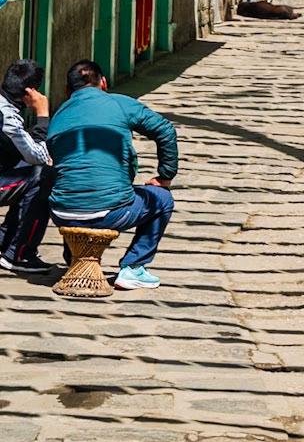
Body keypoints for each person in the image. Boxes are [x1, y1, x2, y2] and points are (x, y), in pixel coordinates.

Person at [46, 60, 178, 292]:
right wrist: (165, 177)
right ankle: (134, 267)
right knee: (162, 199)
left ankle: (75, 258)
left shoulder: (58, 115)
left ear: (67, 90)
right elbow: (165, 130)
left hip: (62, 214)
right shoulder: (118, 103)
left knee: (72, 185)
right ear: (104, 83)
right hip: (111, 212)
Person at [0, 59, 51, 272]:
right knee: (43, 176)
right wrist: (43, 116)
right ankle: (20, 253)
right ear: (31, 91)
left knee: (26, 170)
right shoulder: (6, 117)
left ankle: (5, 239)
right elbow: (38, 156)